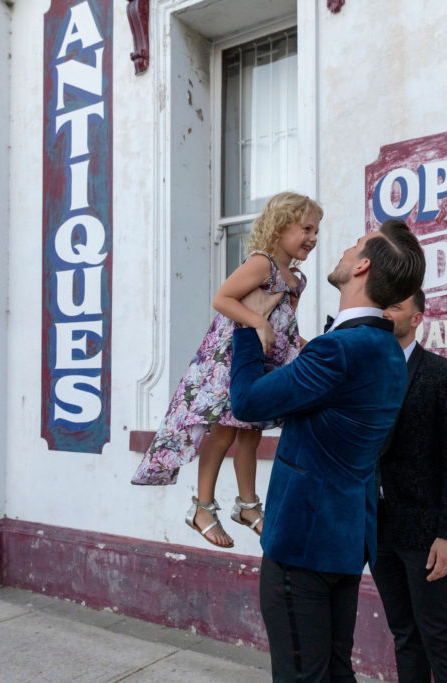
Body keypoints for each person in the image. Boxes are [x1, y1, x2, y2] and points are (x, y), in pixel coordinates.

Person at [229, 219, 426, 682]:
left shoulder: (341, 349)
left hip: (303, 544)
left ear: (362, 267)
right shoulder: (383, 349)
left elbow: (247, 402)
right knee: (334, 672)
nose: (342, 249)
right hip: (342, 541)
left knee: (304, 675)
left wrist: (247, 320)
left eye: (355, 245)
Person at [131, 192, 322, 549]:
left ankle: (248, 506)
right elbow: (222, 299)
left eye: (316, 230)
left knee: (251, 434)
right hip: (230, 361)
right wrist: (257, 323)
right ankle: (202, 506)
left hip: (262, 364)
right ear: (280, 228)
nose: (313, 237)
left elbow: (285, 328)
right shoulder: (261, 263)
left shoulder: (296, 280)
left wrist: (310, 348)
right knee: (223, 434)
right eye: (306, 228)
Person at [371, 289, 447, 682]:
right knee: (404, 634)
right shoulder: (366, 373)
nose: (385, 313)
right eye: (383, 304)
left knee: (437, 634)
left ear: (416, 319)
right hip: (378, 528)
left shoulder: (443, 374)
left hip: (425, 533)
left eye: (395, 307)